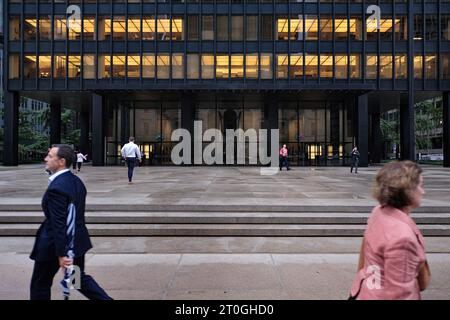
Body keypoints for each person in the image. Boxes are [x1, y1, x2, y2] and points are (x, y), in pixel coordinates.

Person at [30, 144, 112, 300]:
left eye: (50, 156)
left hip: (56, 246)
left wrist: (62, 254)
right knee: (78, 280)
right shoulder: (76, 182)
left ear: (61, 161)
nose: (45, 159)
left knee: (40, 284)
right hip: (76, 241)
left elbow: (58, 223)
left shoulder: (57, 188)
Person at [349, 161, 431, 300]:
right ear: (406, 190)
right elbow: (400, 294)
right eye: (419, 185)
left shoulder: (378, 213)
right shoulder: (402, 239)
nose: (423, 191)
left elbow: (364, 255)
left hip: (365, 292)